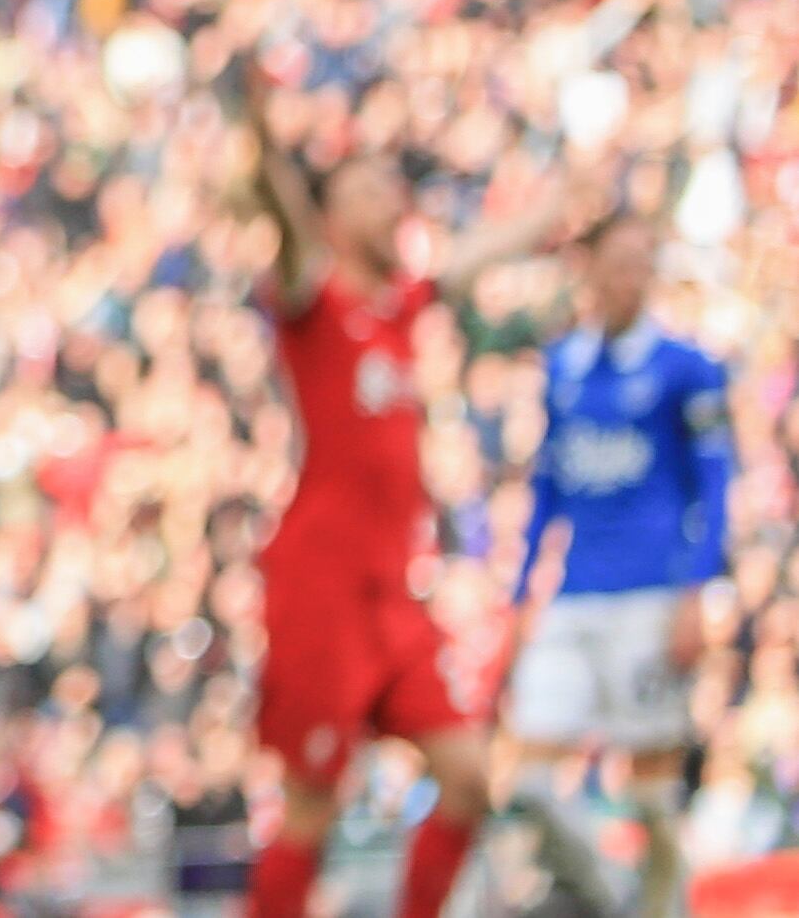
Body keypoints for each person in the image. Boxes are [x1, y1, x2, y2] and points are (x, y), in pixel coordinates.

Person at [228, 60, 558, 918]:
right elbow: (284, 221)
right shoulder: (314, 302)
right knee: (313, 803)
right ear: (333, 217)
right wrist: (264, 144)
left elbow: (474, 256)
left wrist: (563, 205)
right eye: (371, 192)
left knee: (467, 778)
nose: (394, 205)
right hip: (321, 584)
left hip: (393, 592)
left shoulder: (402, 306)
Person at [503, 205, 733, 918]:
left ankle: (664, 907)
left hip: (652, 595)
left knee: (650, 793)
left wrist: (697, 593)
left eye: (645, 262)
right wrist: (519, 591)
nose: (635, 276)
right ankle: (615, 901)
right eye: (622, 260)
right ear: (591, 269)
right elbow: (548, 487)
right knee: (529, 784)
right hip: (574, 594)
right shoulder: (562, 367)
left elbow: (716, 487)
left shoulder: (686, 367)